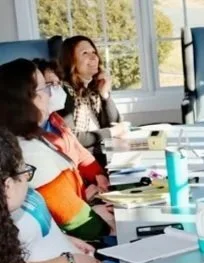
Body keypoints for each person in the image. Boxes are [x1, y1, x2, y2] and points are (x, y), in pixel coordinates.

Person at [0, 127, 125, 263]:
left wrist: (66, 238)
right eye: (24, 172)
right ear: (7, 185)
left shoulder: (13, 201)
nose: (28, 179)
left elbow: (33, 234)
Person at [0, 58, 114, 241]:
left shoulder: (30, 138)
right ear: (27, 100)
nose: (50, 94)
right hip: (80, 242)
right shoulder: (29, 152)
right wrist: (108, 229)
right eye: (45, 87)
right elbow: (76, 220)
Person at [33, 58, 110, 201]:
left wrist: (98, 176)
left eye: (58, 84)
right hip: (75, 201)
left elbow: (79, 152)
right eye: (49, 85)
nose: (56, 89)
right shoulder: (31, 138)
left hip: (86, 193)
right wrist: (85, 196)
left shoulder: (55, 119)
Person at [58, 35, 127, 164]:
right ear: (70, 61)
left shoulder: (91, 87)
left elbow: (114, 122)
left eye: (94, 52)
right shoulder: (64, 92)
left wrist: (104, 94)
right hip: (84, 162)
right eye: (85, 53)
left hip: (103, 154)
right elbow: (73, 138)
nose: (94, 57)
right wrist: (112, 132)